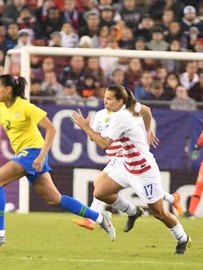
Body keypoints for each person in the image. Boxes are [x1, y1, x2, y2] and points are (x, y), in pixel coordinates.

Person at [0, 75, 115, 246]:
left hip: (33, 152)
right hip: (26, 154)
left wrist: (41, 156)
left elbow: (51, 129)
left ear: (8, 89)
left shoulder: (26, 107)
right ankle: (100, 217)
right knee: (54, 199)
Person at [72, 85, 192, 255]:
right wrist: (148, 131)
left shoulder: (121, 118)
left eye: (109, 99)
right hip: (127, 166)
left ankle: (182, 238)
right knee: (100, 192)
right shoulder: (131, 106)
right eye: (105, 97)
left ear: (119, 101)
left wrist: (86, 127)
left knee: (159, 213)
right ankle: (133, 211)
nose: (105, 101)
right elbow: (147, 111)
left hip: (144, 171)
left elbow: (105, 144)